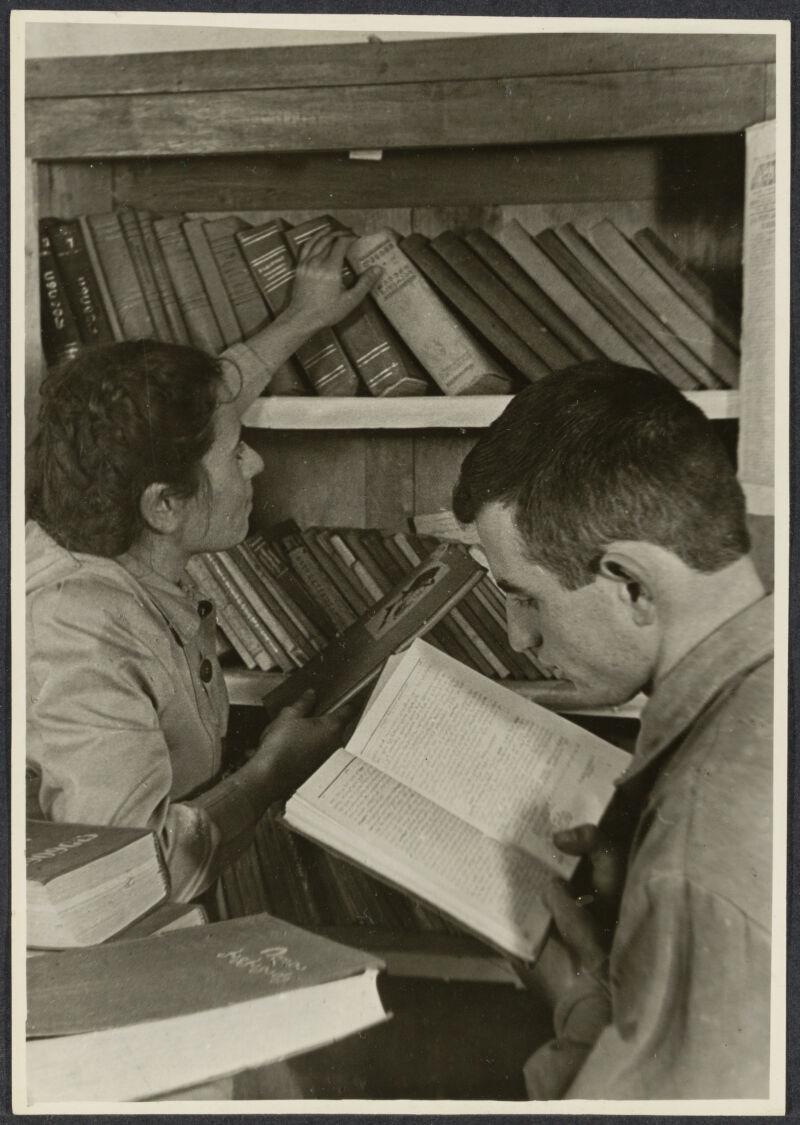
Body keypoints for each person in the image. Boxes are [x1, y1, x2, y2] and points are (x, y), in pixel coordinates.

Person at [452, 361, 773, 1100]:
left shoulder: (701, 836)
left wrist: (583, 1014)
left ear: (630, 583)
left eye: (524, 597)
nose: (517, 639)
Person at [26, 231, 378, 903]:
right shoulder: (79, 628)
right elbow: (123, 885)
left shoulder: (118, 516)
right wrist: (271, 774)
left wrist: (304, 315)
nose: (256, 464)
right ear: (164, 506)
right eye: (237, 452)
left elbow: (212, 403)